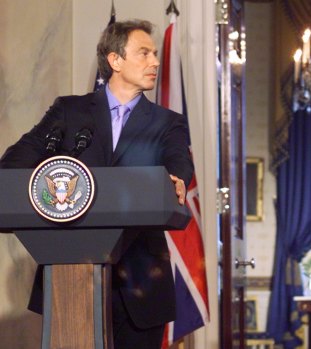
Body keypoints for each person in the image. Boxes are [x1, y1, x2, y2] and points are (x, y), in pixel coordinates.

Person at [0, 20, 193, 349]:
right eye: (144, 53)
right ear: (115, 60)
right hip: (71, 284)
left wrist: (177, 179)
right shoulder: (70, 111)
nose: (155, 62)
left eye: (156, 54)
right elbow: (17, 160)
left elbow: (179, 162)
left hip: (142, 284)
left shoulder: (167, 122)